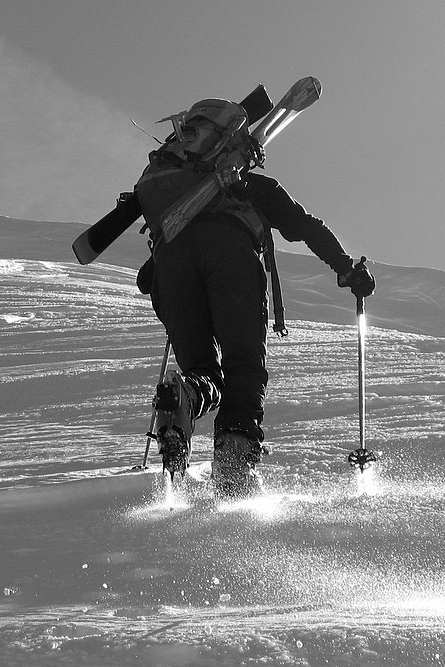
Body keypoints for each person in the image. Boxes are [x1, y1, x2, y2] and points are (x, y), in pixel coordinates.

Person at [136, 97, 375, 498]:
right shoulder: (250, 187)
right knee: (243, 364)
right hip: (231, 260)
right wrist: (346, 268)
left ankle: (184, 397)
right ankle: (234, 467)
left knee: (204, 370)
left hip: (170, 266)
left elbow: (148, 280)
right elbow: (305, 226)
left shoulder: (173, 193)